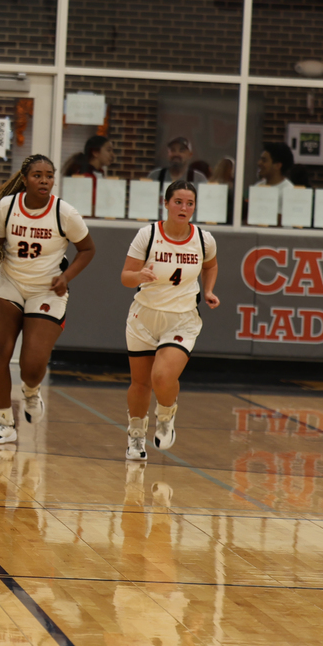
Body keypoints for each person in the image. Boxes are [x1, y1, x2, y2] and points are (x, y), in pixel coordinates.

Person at [0, 154, 96, 445]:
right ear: (25, 179)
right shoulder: (8, 206)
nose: (44, 180)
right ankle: (4, 421)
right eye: (37, 175)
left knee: (31, 365)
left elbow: (88, 249)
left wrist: (66, 278)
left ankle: (31, 390)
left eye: (49, 175)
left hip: (47, 289)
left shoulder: (64, 213)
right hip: (10, 282)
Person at [119, 180, 219, 460]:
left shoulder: (203, 239)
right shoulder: (147, 235)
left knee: (161, 376)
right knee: (140, 383)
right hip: (144, 317)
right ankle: (136, 436)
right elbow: (125, 276)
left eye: (189, 203)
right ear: (166, 203)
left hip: (182, 320)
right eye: (178, 202)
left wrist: (208, 290)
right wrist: (139, 276)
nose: (184, 208)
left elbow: (210, 265)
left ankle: (166, 415)